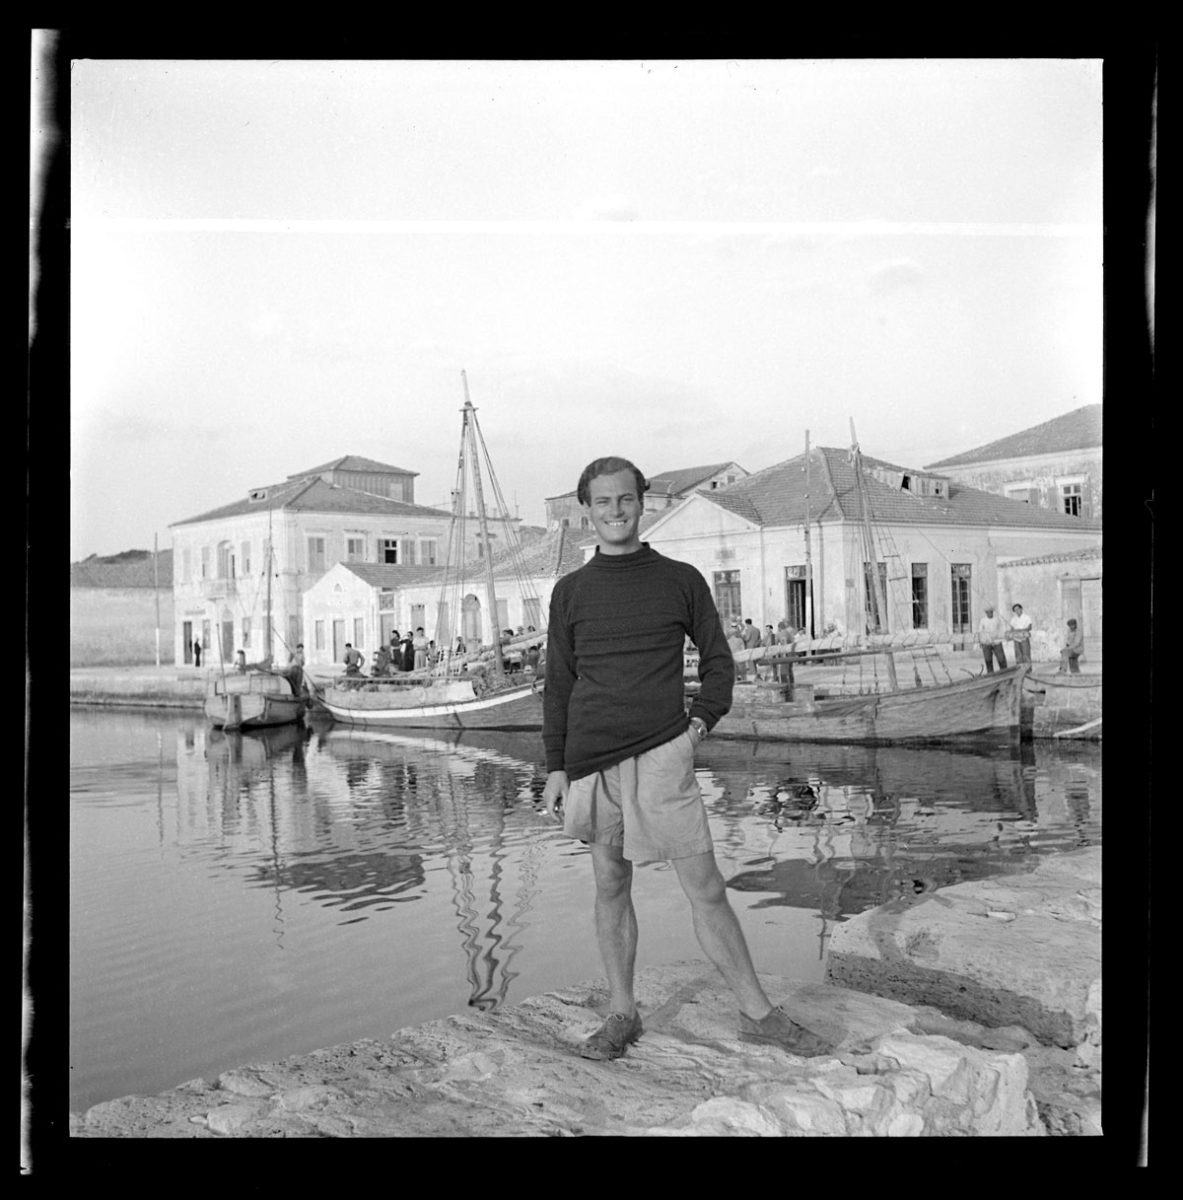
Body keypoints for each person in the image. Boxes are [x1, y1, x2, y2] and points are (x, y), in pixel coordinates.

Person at [542, 455, 833, 1063]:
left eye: (626, 499)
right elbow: (560, 684)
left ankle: (758, 1013)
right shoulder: (570, 591)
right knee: (610, 884)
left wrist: (698, 725)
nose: (615, 511)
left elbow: (719, 660)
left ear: (642, 503)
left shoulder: (680, 578)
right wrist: (555, 767)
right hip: (591, 760)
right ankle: (623, 1014)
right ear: (585, 511)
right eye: (603, 502)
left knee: (704, 887)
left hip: (663, 755)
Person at [977, 605, 1008, 673]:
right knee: (988, 660)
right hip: (986, 643)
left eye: (991, 612)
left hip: (996, 642)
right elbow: (980, 632)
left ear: (993, 612)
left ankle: (1004, 673)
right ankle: (990, 675)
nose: (990, 613)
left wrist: (1000, 638)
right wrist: (981, 641)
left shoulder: (997, 619)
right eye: (988, 612)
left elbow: (1002, 629)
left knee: (1001, 659)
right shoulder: (983, 620)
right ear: (986, 612)